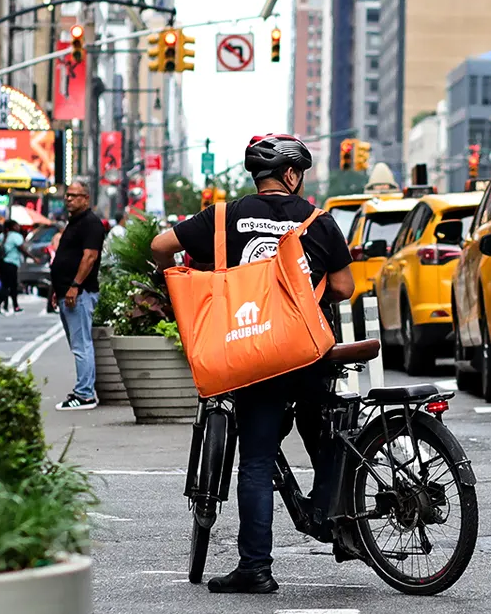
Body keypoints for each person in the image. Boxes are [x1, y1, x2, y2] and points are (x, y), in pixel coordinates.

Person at [149, 134, 355, 594]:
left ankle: (256, 569)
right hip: (308, 351)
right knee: (324, 442)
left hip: (254, 355)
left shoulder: (224, 217)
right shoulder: (319, 222)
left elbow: (161, 247)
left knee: (257, 460)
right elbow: (343, 288)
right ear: (290, 175)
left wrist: (197, 270)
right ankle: (336, 525)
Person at [51, 182, 106, 411]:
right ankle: (83, 392)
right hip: (68, 292)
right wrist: (59, 289)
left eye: (74, 196)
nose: (69, 199)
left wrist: (74, 286)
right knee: (78, 344)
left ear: (86, 197)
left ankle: (84, 395)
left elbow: (89, 258)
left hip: (79, 294)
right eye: (68, 196)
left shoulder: (91, 224)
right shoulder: (75, 223)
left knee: (81, 344)